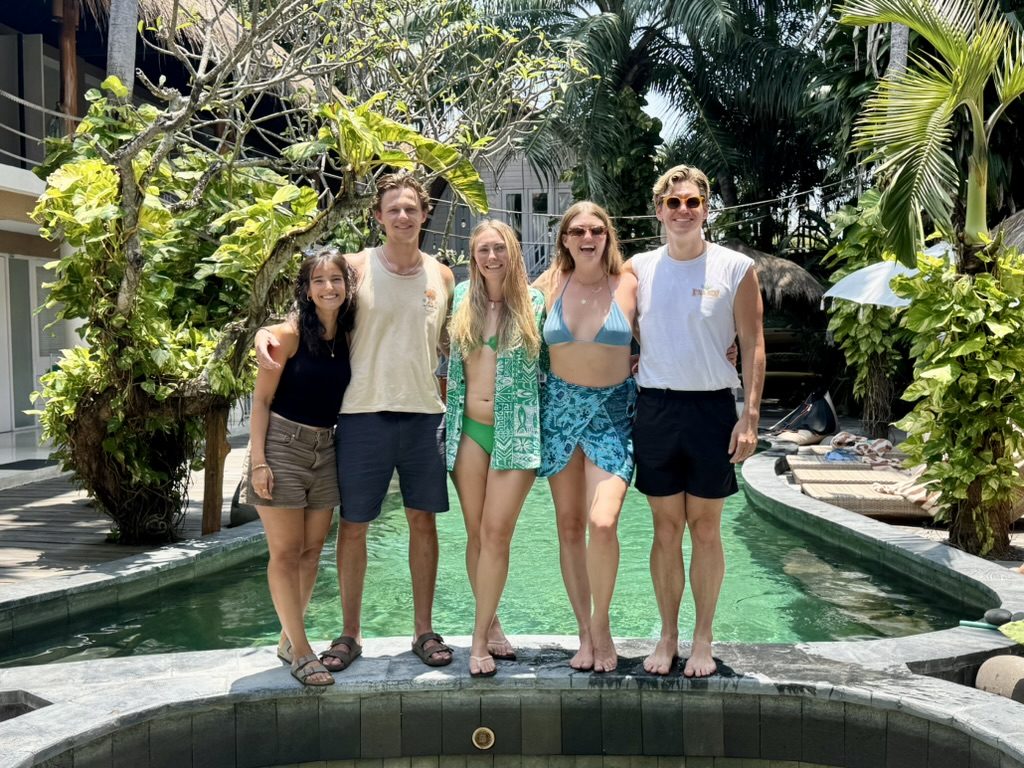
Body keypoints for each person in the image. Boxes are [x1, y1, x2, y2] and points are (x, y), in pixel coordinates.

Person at [255, 172, 456, 671]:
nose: (403, 216)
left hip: (424, 415)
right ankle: (350, 634)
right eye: (394, 209)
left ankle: (424, 630)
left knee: (422, 522)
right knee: (355, 526)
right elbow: (312, 302)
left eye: (412, 208)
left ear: (425, 214)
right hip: (362, 415)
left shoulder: (443, 276)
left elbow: (444, 349)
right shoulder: (358, 267)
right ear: (378, 216)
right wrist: (267, 329)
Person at [625, 164, 765, 678]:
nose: (682, 210)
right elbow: (618, 325)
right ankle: (666, 636)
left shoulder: (735, 268)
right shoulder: (638, 268)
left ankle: (702, 639)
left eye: (692, 202)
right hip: (656, 409)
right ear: (658, 209)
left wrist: (748, 416)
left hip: (711, 410)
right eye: (672, 202)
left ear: (706, 208)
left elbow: (753, 343)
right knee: (665, 530)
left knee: (705, 530)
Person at [534, 202, 638, 673]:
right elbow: (498, 309)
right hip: (558, 414)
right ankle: (583, 632)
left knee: (603, 523)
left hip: (613, 415)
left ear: (608, 236)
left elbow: (678, 325)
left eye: (597, 229)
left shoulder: (630, 282)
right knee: (570, 527)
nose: (587, 237)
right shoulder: (548, 285)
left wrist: (725, 344)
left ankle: (602, 626)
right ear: (565, 239)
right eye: (577, 231)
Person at [248, 247, 357, 686]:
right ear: (306, 289)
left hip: (326, 447)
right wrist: (258, 462)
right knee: (286, 552)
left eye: (336, 279)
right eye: (319, 280)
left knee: (313, 551)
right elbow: (260, 400)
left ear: (347, 287)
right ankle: (302, 650)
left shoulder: (348, 334)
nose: (328, 287)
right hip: (282, 446)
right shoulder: (288, 335)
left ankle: (286, 637)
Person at [446, 220, 545, 677]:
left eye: (500, 248)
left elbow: (565, 354)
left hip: (517, 429)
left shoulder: (535, 302)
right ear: (474, 254)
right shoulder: (460, 298)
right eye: (484, 249)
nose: (492, 256)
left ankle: (477, 638)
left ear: (513, 252)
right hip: (468, 429)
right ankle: (494, 624)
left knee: (496, 533)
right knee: (475, 533)